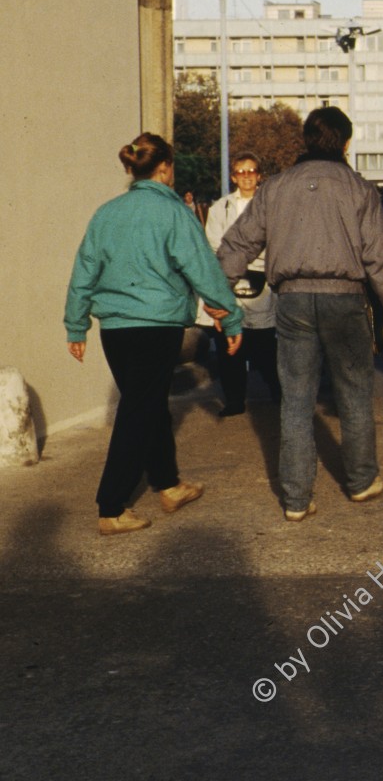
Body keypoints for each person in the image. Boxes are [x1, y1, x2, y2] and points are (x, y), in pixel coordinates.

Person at [218, 107, 383, 521]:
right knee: (354, 392)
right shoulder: (359, 188)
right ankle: (361, 481)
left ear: (306, 141)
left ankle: (296, 498)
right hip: (345, 299)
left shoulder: (275, 188)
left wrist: (217, 293)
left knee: (296, 397)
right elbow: (380, 253)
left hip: (292, 300)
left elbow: (239, 244)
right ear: (345, 142)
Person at [65, 133, 243, 535]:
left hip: (115, 330)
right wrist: (230, 317)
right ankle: (111, 506)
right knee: (139, 410)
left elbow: (84, 272)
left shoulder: (106, 213)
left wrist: (77, 324)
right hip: (155, 326)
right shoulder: (174, 213)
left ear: (131, 168)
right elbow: (203, 269)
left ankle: (169, 484)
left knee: (146, 403)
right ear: (164, 168)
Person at [205, 152, 282, 416]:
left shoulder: (273, 205)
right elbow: (214, 244)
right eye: (241, 172)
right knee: (230, 342)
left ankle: (277, 391)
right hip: (230, 281)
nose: (246, 176)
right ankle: (235, 399)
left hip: (263, 279)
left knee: (265, 343)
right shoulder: (220, 208)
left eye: (251, 171)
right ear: (233, 176)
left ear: (259, 175)